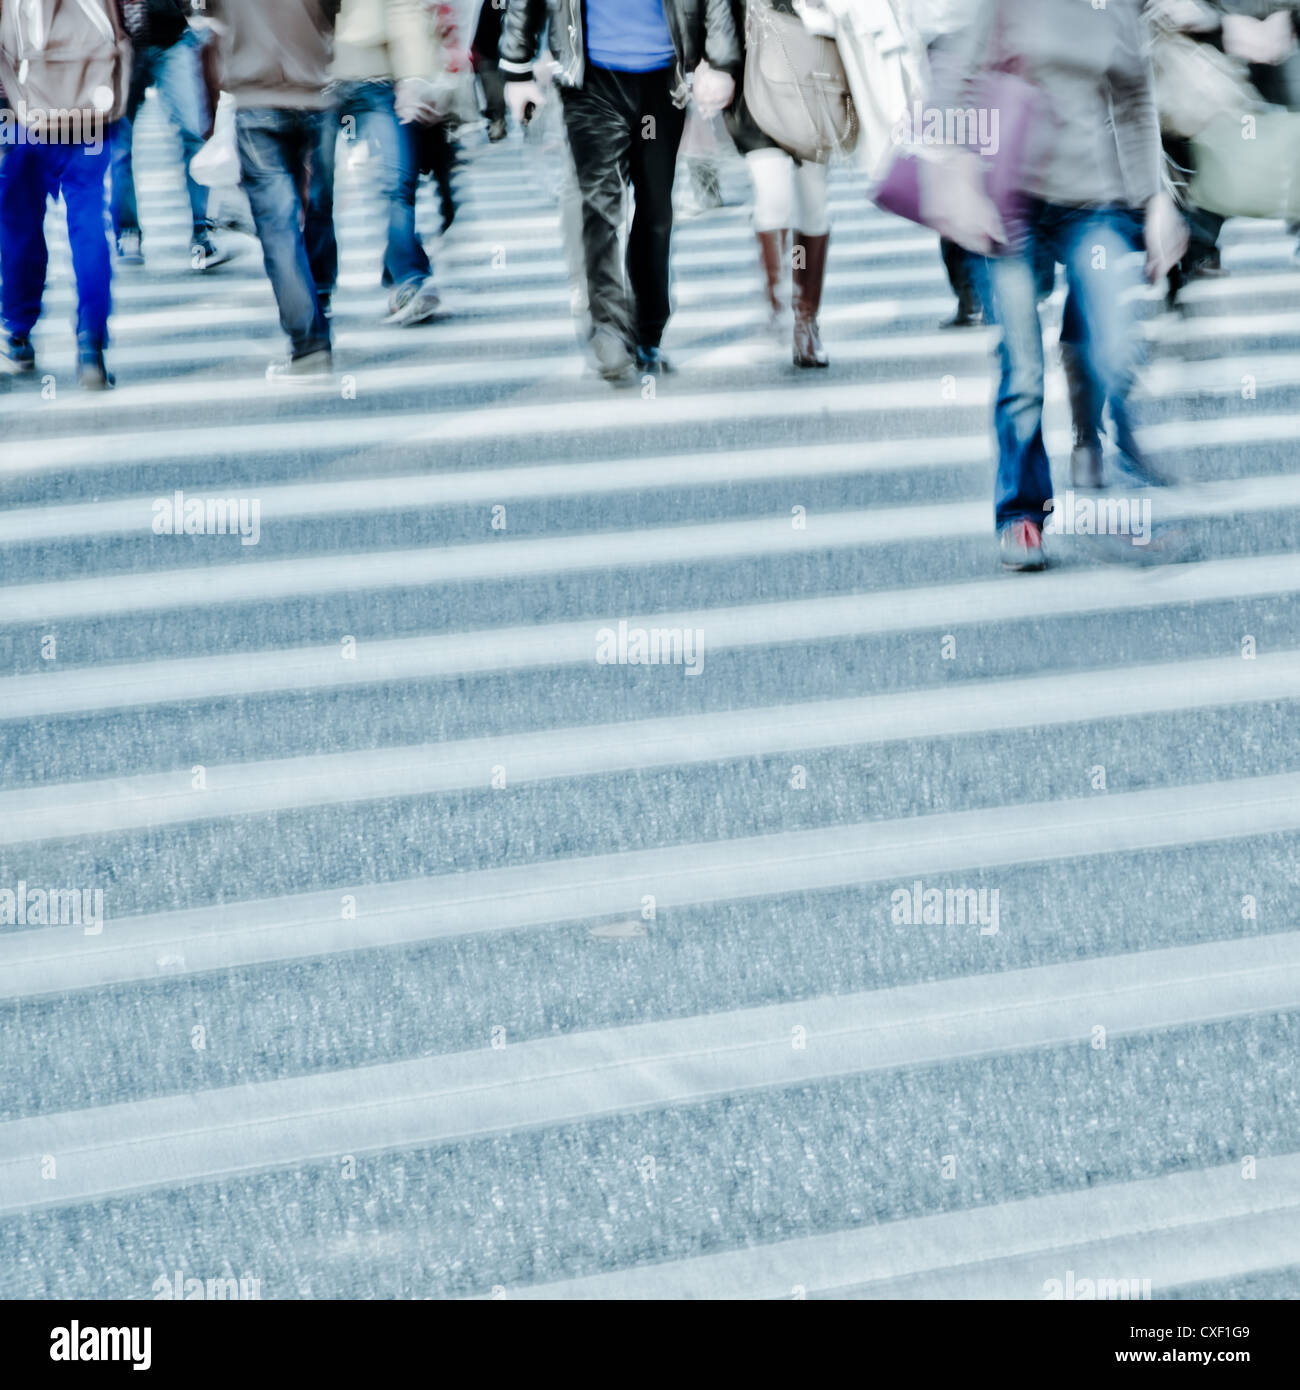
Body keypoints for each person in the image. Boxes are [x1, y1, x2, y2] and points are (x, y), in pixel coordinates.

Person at [928, 0, 1187, 571]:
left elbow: (1135, 99)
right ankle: (1020, 514)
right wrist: (963, 180)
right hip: (1010, 202)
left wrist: (1156, 200)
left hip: (1092, 203)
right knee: (1022, 368)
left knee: (1112, 346)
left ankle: (1101, 469)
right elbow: (954, 82)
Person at [500, 0, 741, 381]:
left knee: (656, 212)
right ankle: (609, 329)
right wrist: (516, 68)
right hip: (591, 81)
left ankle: (648, 332)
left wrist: (722, 61)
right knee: (599, 207)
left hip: (664, 80)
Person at [207, 0, 340, 380]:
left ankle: (308, 341)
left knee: (277, 225)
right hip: (314, 90)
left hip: (255, 96)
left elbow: (203, 12)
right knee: (319, 204)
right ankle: (321, 296)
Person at [0, 0, 130, 389]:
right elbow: (133, 23)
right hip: (88, 111)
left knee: (19, 226)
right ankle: (91, 347)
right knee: (88, 223)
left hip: (20, 116)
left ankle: (18, 333)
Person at [314, 0, 445, 328]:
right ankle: (316, 289)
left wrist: (414, 76)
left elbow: (404, 6)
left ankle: (407, 280)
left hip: (377, 78)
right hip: (313, 81)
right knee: (317, 193)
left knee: (398, 182)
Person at [726, 0, 833, 367]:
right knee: (773, 195)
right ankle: (779, 304)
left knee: (813, 198)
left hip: (813, 70)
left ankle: (806, 319)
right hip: (753, 71)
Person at [113, 0, 230, 270]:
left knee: (193, 134)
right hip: (122, 44)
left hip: (173, 39)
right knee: (120, 146)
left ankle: (202, 231)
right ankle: (128, 232)